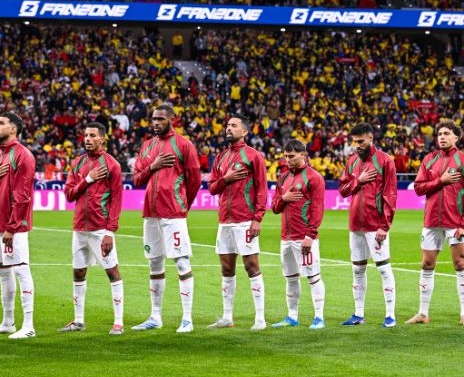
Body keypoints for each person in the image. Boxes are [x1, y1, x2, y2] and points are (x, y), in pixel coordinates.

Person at [131, 104, 201, 333]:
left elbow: (194, 180)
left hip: (173, 213)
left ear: (172, 120)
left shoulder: (183, 145)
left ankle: (187, 319)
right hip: (150, 213)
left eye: (160, 119)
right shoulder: (147, 146)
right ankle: (155, 316)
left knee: (181, 261)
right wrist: (154, 165)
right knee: (154, 262)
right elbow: (138, 179)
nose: (155, 123)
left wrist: (182, 205)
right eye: (153, 119)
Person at [406, 121, 464, 326]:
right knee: (427, 264)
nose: (442, 137)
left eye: (447, 133)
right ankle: (422, 313)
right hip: (431, 221)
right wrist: (441, 180)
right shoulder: (429, 159)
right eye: (440, 134)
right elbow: (419, 188)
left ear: (456, 137)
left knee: (460, 263)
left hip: (455, 221)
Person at [60, 122, 125, 335]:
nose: (87, 139)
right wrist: (87, 180)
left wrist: (110, 231)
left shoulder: (112, 165)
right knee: (78, 272)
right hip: (79, 228)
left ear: (102, 139)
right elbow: (69, 194)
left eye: (92, 135)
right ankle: (78, 320)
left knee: (112, 271)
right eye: (85, 135)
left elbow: (116, 200)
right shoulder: (78, 163)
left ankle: (118, 322)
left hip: (100, 229)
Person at [207, 114, 268, 331]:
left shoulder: (253, 156)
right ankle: (227, 317)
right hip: (225, 221)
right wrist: (227, 178)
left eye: (234, 126)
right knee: (226, 268)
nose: (228, 128)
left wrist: (257, 218)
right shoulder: (221, 157)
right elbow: (212, 188)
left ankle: (260, 319)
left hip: (245, 221)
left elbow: (262, 189)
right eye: (227, 125)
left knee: (251, 266)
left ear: (244, 132)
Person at [0, 112, 37, 339]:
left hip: (13, 228)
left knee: (21, 271)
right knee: (3, 273)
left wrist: (12, 227)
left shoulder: (23, 156)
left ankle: (29, 326)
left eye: (1, 123)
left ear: (13, 129)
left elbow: (23, 197)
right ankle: (8, 322)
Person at [338, 123, 398, 328]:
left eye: (361, 142)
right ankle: (358, 314)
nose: (357, 146)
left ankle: (390, 316)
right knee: (357, 270)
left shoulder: (385, 161)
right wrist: (358, 180)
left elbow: (390, 195)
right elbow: (343, 190)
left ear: (371, 138)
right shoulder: (352, 161)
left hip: (376, 226)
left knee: (383, 269)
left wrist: (385, 226)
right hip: (356, 225)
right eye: (355, 142)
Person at [270, 139, 326, 330]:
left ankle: (319, 317)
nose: (288, 160)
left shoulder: (314, 178)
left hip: (304, 237)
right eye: (285, 156)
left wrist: (310, 236)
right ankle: (292, 316)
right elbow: (275, 208)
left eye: (292, 156)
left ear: (303, 155)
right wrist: (283, 198)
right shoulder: (283, 178)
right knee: (291, 277)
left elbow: (317, 209)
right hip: (286, 237)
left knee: (313, 276)